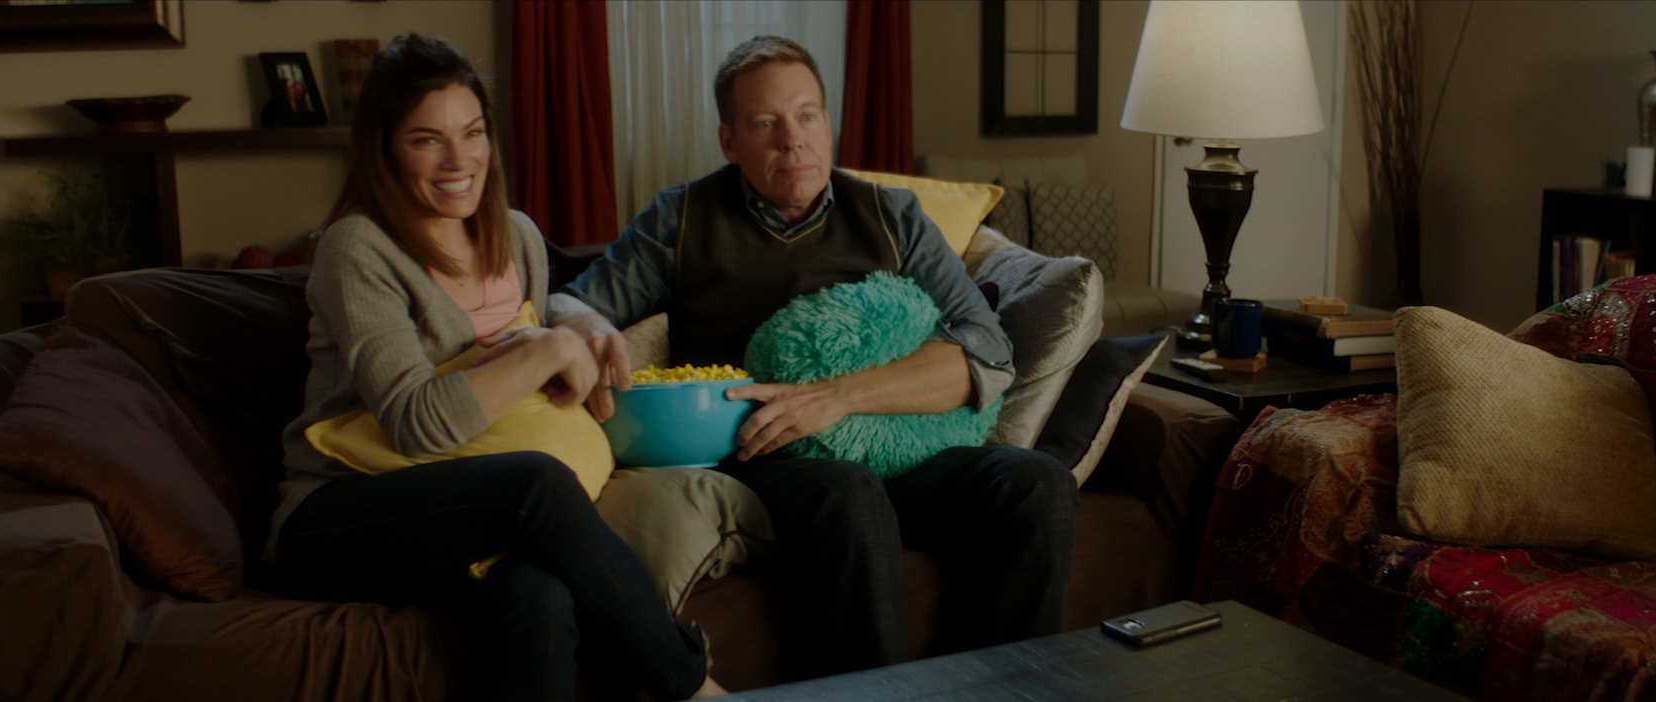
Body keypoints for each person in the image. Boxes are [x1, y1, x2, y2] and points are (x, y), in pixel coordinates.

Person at [552, 35, 1078, 678]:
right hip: (759, 455)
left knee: (1036, 482)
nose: (791, 140)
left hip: (895, 448)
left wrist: (837, 397)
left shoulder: (891, 216)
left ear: (828, 123)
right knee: (845, 489)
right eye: (764, 123)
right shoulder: (681, 220)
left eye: (806, 116)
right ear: (729, 140)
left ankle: (996, 693)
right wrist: (582, 323)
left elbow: (988, 350)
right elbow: (571, 305)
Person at [266, 34, 725, 702]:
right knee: (533, 483)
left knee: (536, 597)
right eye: (427, 139)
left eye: (473, 132)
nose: (460, 159)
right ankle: (691, 686)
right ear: (384, 148)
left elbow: (541, 321)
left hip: (466, 519)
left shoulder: (516, 235)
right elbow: (417, 425)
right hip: (343, 517)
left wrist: (578, 322)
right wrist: (546, 349)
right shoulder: (357, 248)